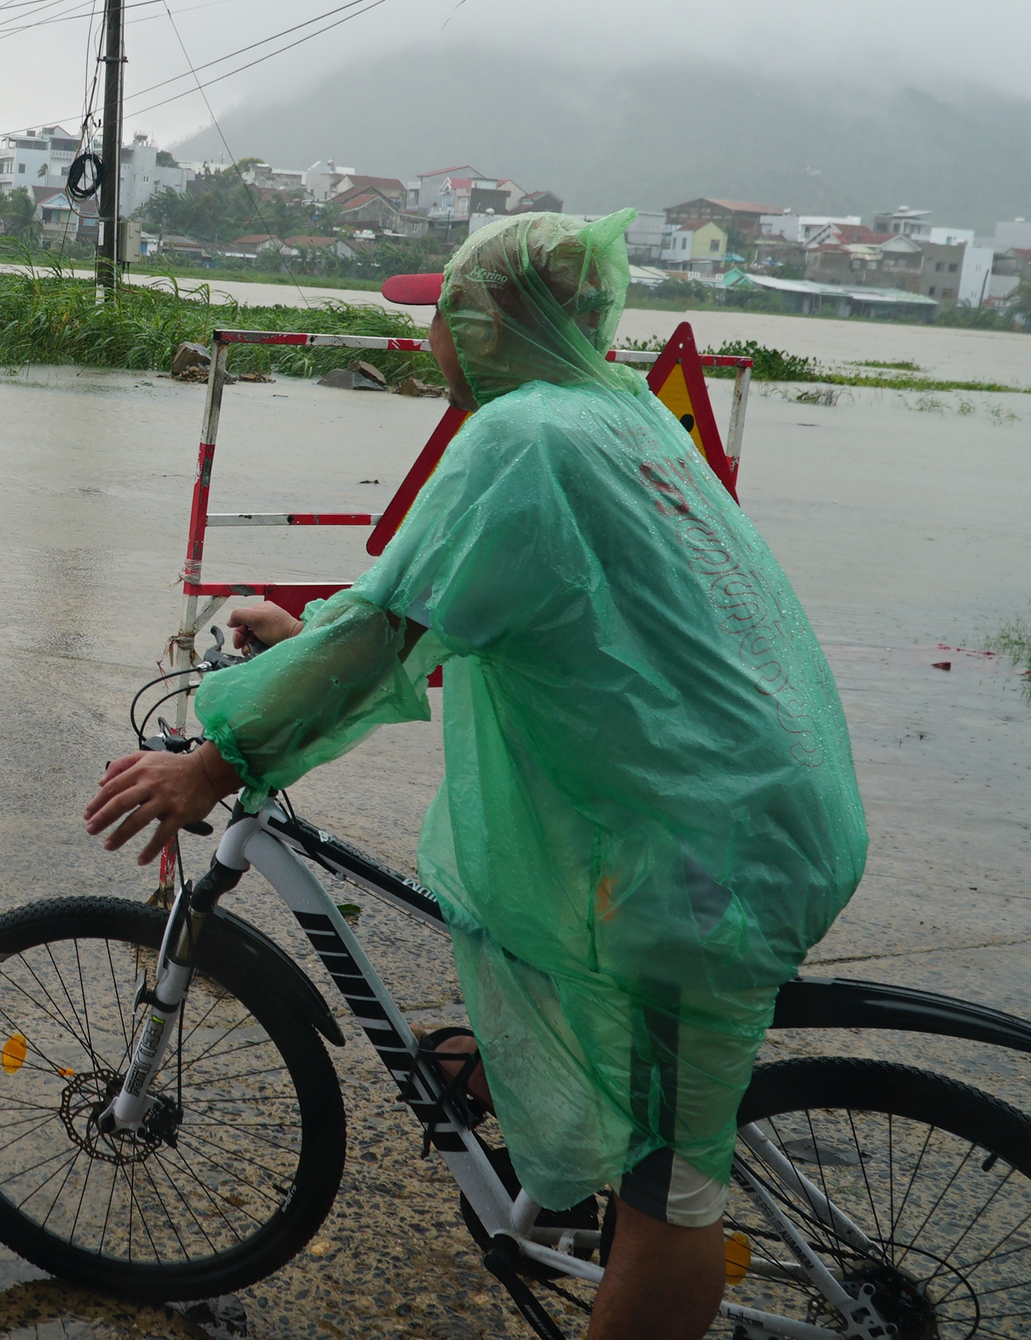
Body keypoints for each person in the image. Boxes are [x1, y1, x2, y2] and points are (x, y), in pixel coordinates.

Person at [84, 210, 866, 1340]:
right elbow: (512, 611)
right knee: (541, 978)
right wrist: (307, 630)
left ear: (490, 324)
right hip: (738, 805)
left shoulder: (522, 437)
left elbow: (383, 639)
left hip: (697, 855)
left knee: (670, 1199)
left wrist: (215, 761)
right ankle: (527, 1110)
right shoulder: (619, 412)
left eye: (442, 315)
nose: (428, 339)